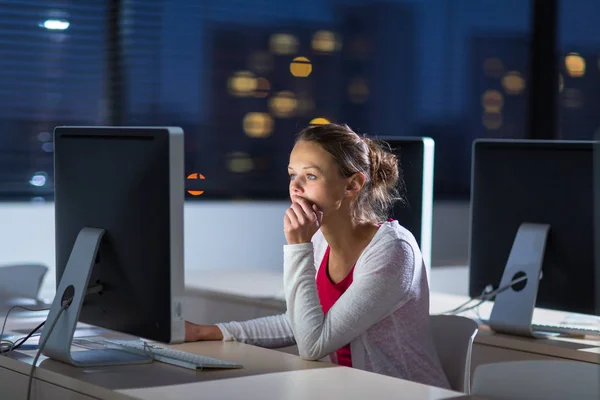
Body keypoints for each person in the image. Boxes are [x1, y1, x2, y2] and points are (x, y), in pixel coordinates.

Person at [185, 123, 450, 388]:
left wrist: (298, 246)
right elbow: (301, 323)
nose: (295, 187)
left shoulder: (393, 250)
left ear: (352, 185)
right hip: (350, 391)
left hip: (404, 394)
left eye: (310, 176)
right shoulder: (320, 239)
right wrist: (207, 332)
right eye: (292, 175)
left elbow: (311, 345)